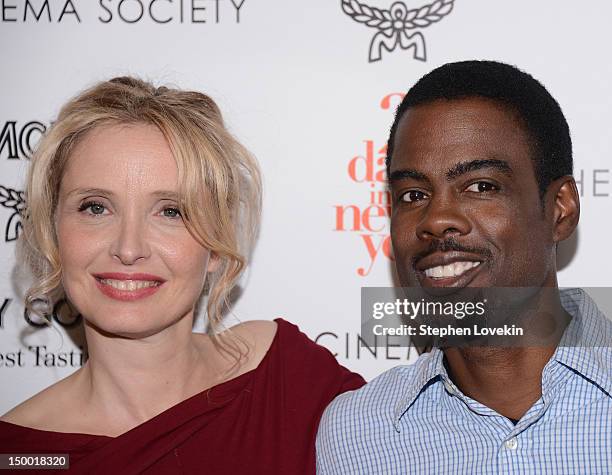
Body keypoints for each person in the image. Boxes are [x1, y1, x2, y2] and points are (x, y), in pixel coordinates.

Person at [0, 77, 365, 474]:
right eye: (95, 207)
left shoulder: (286, 378)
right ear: (54, 231)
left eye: (171, 211)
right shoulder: (19, 453)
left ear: (215, 243)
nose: (128, 247)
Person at [316, 61, 611, 474]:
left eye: (481, 186)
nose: (435, 219)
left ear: (560, 209)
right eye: (413, 194)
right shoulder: (355, 434)